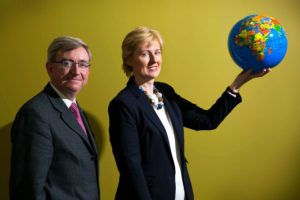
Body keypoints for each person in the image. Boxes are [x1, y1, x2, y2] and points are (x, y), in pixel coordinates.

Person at [108, 26, 271, 200]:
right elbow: (130, 168)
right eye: (145, 54)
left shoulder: (166, 93)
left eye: (157, 52)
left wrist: (236, 85)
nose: (154, 60)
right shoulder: (123, 105)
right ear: (129, 59)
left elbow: (206, 120)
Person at [9, 36, 100, 200]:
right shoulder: (35, 113)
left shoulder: (76, 110)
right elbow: (28, 188)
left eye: (83, 64)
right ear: (50, 68)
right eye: (66, 63)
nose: (76, 71)